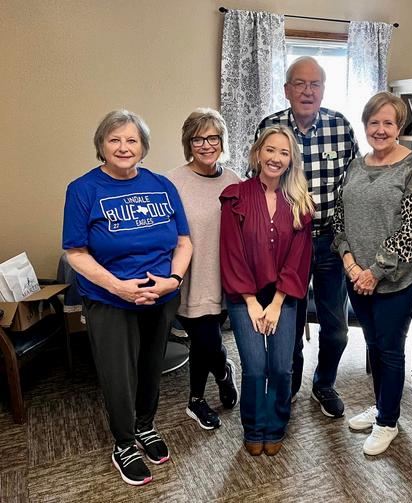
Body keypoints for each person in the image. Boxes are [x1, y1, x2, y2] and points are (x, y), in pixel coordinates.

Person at [62, 110, 193, 486]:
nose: (123, 147)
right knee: (119, 375)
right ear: (101, 145)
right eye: (114, 140)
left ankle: (145, 426)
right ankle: (123, 443)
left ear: (143, 147)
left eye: (132, 140)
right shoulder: (83, 189)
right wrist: (117, 286)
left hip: (160, 297)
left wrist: (173, 280)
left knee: (151, 366)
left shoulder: (162, 185)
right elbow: (75, 253)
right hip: (110, 301)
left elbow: (184, 242)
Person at [256, 56, 359, 418]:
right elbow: (257, 187)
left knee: (336, 329)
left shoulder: (340, 126)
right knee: (289, 325)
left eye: (315, 84)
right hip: (286, 246)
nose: (307, 91)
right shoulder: (270, 128)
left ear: (323, 90)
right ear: (287, 90)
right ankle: (290, 384)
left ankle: (324, 383)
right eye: (300, 83)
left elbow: (355, 185)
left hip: (330, 242)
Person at [332, 92, 412, 455]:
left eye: (388, 122)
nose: (381, 129)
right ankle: (381, 407)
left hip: (398, 281)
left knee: (389, 349)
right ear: (365, 126)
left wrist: (374, 271)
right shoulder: (355, 165)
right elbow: (339, 219)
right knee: (373, 345)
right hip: (357, 277)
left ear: (399, 127)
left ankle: (388, 422)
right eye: (374, 122)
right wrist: (351, 265)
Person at [220, 126, 313, 456]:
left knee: (281, 367)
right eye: (270, 150)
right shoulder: (236, 196)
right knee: (256, 367)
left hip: (282, 296)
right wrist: (250, 301)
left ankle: (275, 425)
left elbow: (298, 258)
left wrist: (275, 303)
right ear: (258, 153)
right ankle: (254, 426)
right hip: (243, 295)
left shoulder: (299, 203)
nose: (276, 158)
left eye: (284, 153)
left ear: (291, 160)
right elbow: (232, 253)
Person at [167, 108, 239, 431]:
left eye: (213, 138)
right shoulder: (172, 182)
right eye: (198, 138)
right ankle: (222, 372)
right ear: (188, 143)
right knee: (206, 341)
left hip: (225, 278)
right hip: (189, 279)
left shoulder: (234, 180)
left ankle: (196, 400)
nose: (207, 145)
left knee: (205, 342)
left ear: (222, 141)